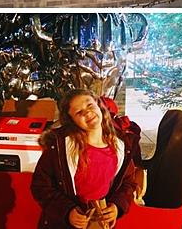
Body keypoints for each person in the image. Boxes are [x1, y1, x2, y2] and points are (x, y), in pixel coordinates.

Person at [31, 89, 138, 229]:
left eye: (89, 105)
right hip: (65, 224)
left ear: (99, 105)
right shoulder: (59, 148)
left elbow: (128, 183)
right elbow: (40, 186)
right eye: (79, 112)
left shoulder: (121, 146)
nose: (87, 112)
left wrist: (117, 206)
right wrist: (67, 211)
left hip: (99, 222)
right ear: (72, 121)